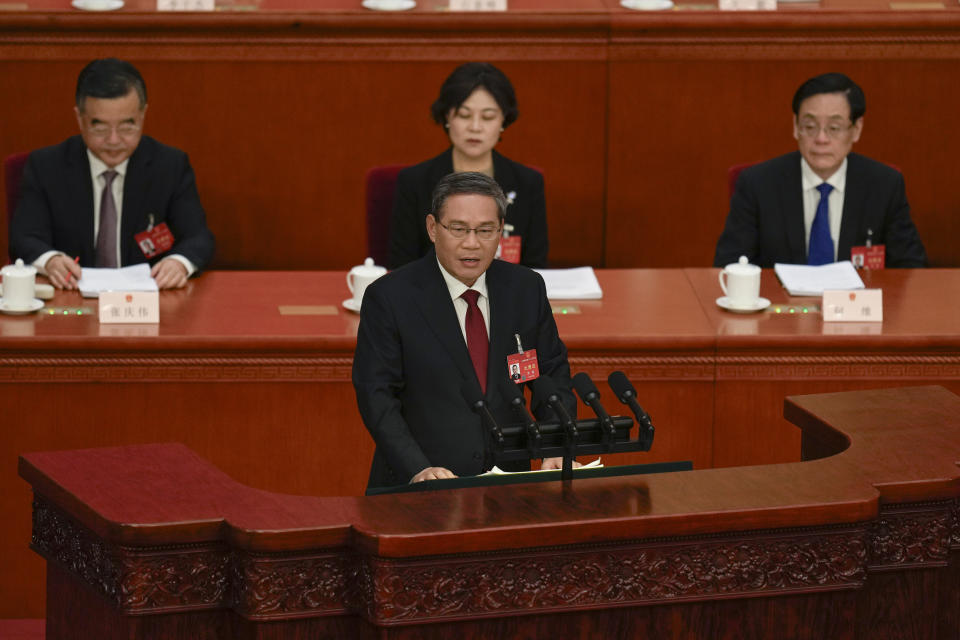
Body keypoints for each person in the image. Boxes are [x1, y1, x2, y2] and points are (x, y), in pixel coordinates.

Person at [354, 172, 575, 490]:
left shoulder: (525, 289)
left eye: (485, 231)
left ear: (500, 231)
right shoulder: (390, 297)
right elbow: (376, 395)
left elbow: (550, 374)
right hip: (419, 485)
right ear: (433, 228)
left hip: (509, 488)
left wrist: (555, 445)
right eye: (458, 229)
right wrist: (418, 468)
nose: (472, 243)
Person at [9, 58, 215, 290]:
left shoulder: (169, 166)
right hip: (70, 297)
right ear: (80, 118)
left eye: (128, 126)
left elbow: (198, 237)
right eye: (100, 127)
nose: (114, 140)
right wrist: (51, 261)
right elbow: (24, 238)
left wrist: (178, 263)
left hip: (148, 303)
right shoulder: (47, 166)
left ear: (143, 115)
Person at [713, 72, 927, 268]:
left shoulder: (884, 185)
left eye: (834, 128)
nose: (821, 139)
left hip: (855, 306)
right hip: (780, 306)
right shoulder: (758, 184)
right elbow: (730, 265)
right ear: (795, 127)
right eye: (810, 126)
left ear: (856, 129)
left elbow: (911, 269)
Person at [387, 62, 549, 270]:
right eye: (464, 115)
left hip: (507, 298)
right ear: (447, 117)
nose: (475, 127)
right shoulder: (414, 182)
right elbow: (403, 266)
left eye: (488, 117)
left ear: (503, 120)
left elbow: (535, 267)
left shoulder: (528, 183)